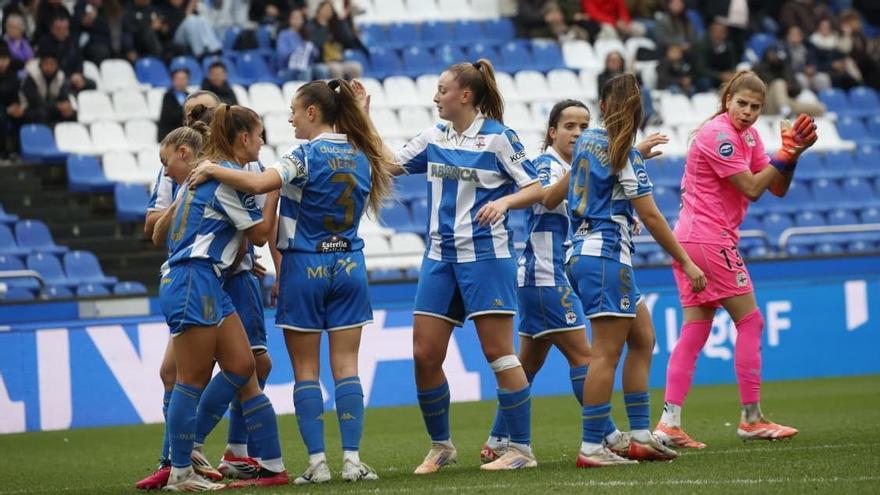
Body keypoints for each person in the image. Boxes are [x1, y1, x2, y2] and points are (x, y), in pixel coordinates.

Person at [188, 79, 394, 485]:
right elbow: (367, 144)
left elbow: (260, 184)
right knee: (347, 367)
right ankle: (352, 461)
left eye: (294, 111)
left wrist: (211, 168)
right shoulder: (362, 152)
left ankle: (317, 464)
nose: (290, 119)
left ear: (312, 112)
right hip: (349, 265)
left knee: (305, 371)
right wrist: (363, 113)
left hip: (304, 266)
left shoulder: (303, 155)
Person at [389, 59, 544, 473]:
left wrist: (504, 201)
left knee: (499, 354)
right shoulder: (433, 136)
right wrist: (361, 117)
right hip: (439, 258)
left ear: (466, 95)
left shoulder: (499, 138)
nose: (435, 97)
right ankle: (441, 445)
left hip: (487, 259)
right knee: (424, 354)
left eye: (442, 90)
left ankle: (521, 450)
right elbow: (388, 165)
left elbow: (535, 187)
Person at [543, 73, 705, 467]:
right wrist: (686, 261)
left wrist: (633, 156)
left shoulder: (587, 143)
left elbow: (557, 193)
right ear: (639, 111)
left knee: (643, 337)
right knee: (605, 354)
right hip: (606, 257)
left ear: (602, 107)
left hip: (583, 253)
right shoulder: (625, 157)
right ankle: (592, 447)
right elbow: (650, 216)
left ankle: (639, 436)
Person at [653, 70, 817, 448]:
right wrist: (784, 154)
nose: (747, 112)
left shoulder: (749, 136)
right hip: (708, 239)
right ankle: (751, 418)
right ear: (727, 100)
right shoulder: (719, 135)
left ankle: (669, 422)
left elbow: (776, 187)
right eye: (741, 103)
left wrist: (791, 156)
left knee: (695, 330)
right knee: (751, 321)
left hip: (692, 238)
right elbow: (751, 188)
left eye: (755, 107)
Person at [137, 91, 284, 490]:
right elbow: (259, 234)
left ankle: (193, 450)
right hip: (193, 278)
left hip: (208, 279)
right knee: (189, 378)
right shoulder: (222, 178)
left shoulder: (208, 173)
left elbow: (165, 230)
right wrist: (274, 191)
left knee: (241, 366)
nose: (261, 143)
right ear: (242, 138)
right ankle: (180, 469)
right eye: (258, 136)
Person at [479, 99, 629, 463]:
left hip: (543, 276)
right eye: (569, 126)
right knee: (584, 356)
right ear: (552, 132)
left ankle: (498, 439)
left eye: (584, 127)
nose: (577, 133)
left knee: (527, 365)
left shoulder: (573, 168)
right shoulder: (546, 165)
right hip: (546, 275)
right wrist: (581, 166)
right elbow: (546, 199)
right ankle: (608, 435)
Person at [20, 49, 76, 126]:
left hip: (52, 107)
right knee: (41, 113)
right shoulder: (31, 77)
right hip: (30, 109)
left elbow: (64, 96)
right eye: (46, 63)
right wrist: (57, 106)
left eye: (52, 64)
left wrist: (65, 106)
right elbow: (35, 102)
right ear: (41, 64)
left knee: (70, 113)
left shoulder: (60, 76)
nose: (49, 67)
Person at [157, 67, 189, 142]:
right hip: (170, 135)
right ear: (173, 80)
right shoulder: (168, 96)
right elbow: (171, 117)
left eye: (183, 79)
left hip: (186, 136)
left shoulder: (190, 96)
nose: (181, 82)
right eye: (178, 79)